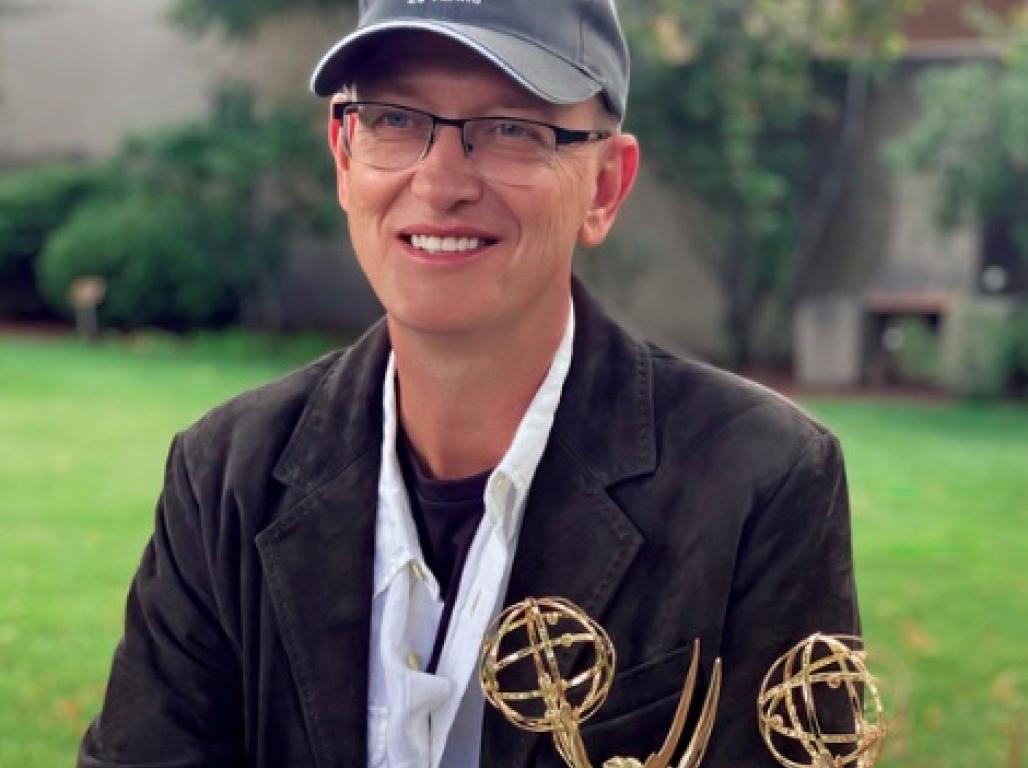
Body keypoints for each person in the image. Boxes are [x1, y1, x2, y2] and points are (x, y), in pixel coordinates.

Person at [79, 1, 859, 766]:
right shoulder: (226, 475)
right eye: (393, 120)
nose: (441, 180)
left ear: (605, 187)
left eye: (512, 129)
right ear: (344, 159)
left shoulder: (759, 481)